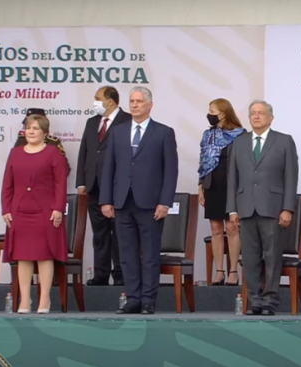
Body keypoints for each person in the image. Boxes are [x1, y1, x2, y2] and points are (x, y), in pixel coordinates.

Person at [100, 86, 179, 315]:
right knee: (127, 255)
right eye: (132, 101)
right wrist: (106, 200)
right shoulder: (118, 131)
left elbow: (170, 171)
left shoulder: (164, 132)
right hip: (123, 202)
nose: (134, 105)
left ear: (150, 105)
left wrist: (165, 202)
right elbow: (109, 169)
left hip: (151, 204)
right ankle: (132, 299)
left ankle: (147, 300)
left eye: (139, 101)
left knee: (150, 254)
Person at [227, 100, 299, 316]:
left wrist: (288, 208)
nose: (256, 116)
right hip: (246, 208)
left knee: (272, 256)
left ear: (271, 117)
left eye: (261, 113)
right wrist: (232, 209)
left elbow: (291, 177)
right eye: (252, 113)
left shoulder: (284, 141)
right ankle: (254, 301)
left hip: (273, 208)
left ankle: (269, 302)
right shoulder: (239, 142)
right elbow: (233, 178)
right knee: (250, 257)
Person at [1, 114, 68, 314]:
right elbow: (7, 184)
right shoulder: (15, 153)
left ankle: (44, 299)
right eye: (28, 128)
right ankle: (24, 300)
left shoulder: (53, 153)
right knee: (23, 256)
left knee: (44, 255)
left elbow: (60, 184)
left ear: (45, 133)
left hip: (46, 211)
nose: (31, 131)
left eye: (36, 128)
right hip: (20, 211)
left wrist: (58, 208)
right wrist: (6, 208)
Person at [76, 86, 130, 286]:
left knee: (119, 233)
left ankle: (121, 274)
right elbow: (85, 152)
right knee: (99, 233)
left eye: (98, 99)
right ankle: (100, 274)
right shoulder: (92, 123)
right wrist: (81, 181)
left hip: (118, 187)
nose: (95, 102)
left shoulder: (127, 121)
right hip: (94, 186)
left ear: (111, 101)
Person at [198, 98, 245, 285]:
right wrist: (200, 186)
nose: (209, 115)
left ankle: (233, 271)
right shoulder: (207, 134)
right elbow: (203, 162)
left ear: (224, 113)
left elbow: (244, 165)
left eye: (213, 111)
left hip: (232, 187)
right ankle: (219, 272)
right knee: (216, 229)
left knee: (232, 228)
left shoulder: (240, 135)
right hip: (212, 186)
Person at [14, 108, 71, 174]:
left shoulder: (52, 142)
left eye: (36, 127)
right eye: (28, 126)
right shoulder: (22, 140)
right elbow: (14, 166)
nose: (31, 131)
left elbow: (64, 169)